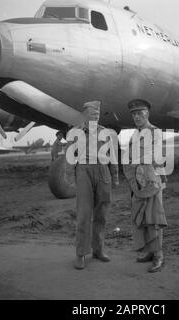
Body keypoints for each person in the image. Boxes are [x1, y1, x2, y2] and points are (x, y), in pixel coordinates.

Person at [66, 101, 119, 270]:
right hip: (84, 171)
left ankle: (98, 250)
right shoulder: (75, 133)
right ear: (84, 115)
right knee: (83, 215)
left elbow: (112, 156)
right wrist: (71, 178)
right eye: (92, 114)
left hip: (103, 171)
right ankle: (80, 254)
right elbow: (69, 157)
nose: (95, 116)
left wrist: (115, 175)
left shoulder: (106, 133)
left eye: (97, 114)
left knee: (101, 214)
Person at [123, 99, 168, 273]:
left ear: (147, 114)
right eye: (133, 114)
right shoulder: (135, 135)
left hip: (151, 182)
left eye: (139, 114)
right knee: (141, 219)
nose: (136, 117)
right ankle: (150, 252)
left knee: (153, 219)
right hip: (137, 183)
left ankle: (158, 256)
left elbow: (157, 156)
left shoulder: (155, 132)